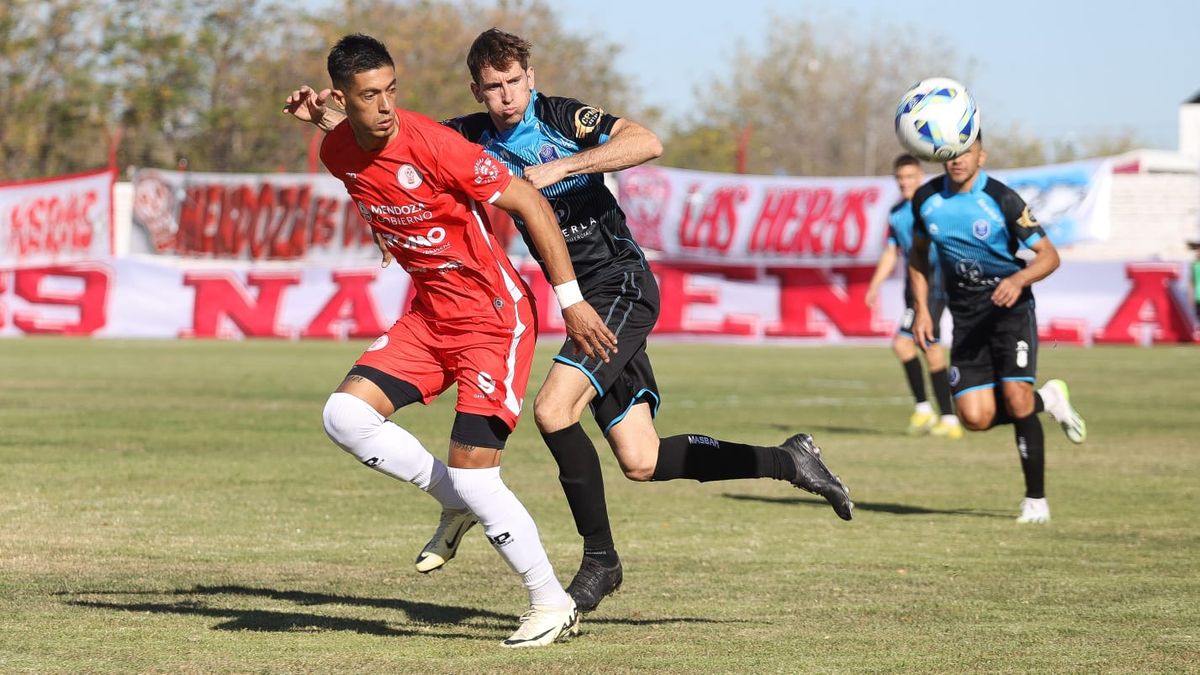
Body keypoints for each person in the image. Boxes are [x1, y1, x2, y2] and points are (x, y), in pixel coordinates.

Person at [293, 28, 853, 616]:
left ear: (530, 78)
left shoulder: (563, 118)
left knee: (553, 410)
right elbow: (401, 148)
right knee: (642, 459)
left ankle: (600, 562)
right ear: (477, 90)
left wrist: (563, 169)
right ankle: (788, 460)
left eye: (514, 82)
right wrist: (327, 121)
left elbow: (647, 142)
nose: (506, 96)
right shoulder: (469, 134)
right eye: (493, 87)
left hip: (618, 285)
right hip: (580, 299)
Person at [286, 33, 620, 648]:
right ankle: (455, 501)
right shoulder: (337, 148)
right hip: (430, 318)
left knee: (478, 474)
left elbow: (531, 205)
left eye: (392, 91)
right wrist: (327, 119)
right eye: (369, 96)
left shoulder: (438, 145)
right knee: (344, 417)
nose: (385, 106)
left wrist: (571, 304)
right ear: (343, 99)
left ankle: (550, 603)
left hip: (494, 319)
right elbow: (361, 154)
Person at [908, 133, 1087, 524]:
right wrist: (922, 310)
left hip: (1010, 314)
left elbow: (1049, 256)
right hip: (967, 319)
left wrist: (1019, 280)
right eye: (951, 153)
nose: (957, 160)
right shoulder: (926, 200)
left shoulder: (1003, 200)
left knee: (1017, 399)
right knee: (974, 418)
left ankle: (1035, 501)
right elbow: (918, 257)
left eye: (965, 153)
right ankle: (1049, 400)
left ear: (980, 156)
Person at [865, 154, 961, 439]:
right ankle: (933, 413)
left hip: (936, 284)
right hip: (913, 288)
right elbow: (891, 251)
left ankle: (940, 415)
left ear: (920, 177)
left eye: (910, 177)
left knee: (917, 345)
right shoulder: (896, 213)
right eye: (900, 178)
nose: (905, 182)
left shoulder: (934, 206)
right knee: (915, 347)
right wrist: (874, 284)